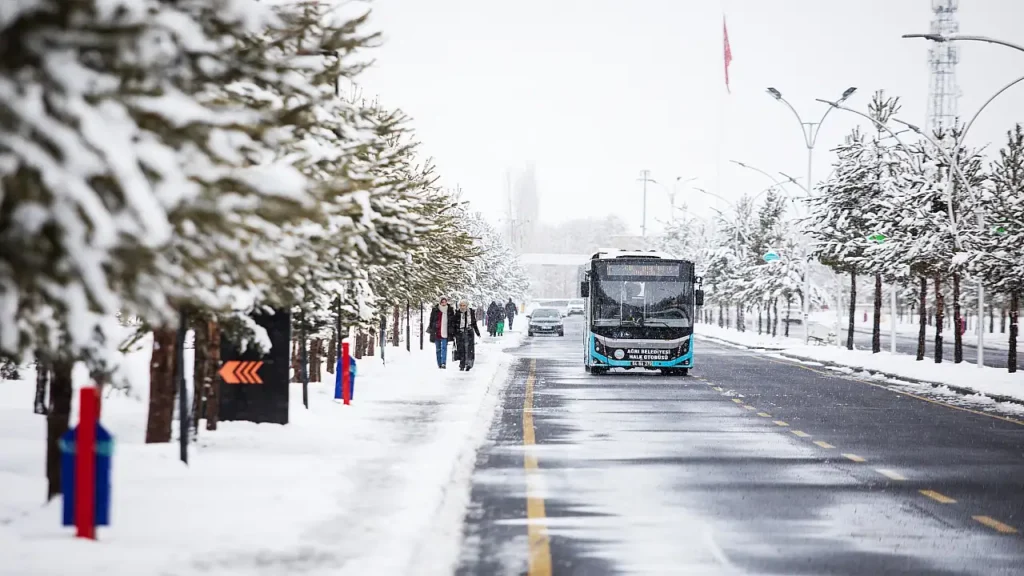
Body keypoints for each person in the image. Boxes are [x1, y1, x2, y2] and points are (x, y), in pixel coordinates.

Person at [427, 296, 456, 369]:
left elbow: (452, 321)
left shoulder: (450, 310)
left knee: (444, 348)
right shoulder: (435, 310)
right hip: (437, 331)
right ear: (440, 302)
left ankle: (443, 363)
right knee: (438, 349)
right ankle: (439, 363)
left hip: (446, 331)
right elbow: (431, 320)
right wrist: (431, 329)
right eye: (442, 302)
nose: (443, 303)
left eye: (445, 301)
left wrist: (452, 330)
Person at [453, 300, 481, 371]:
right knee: (461, 349)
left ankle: (469, 364)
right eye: (461, 305)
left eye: (464, 305)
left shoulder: (470, 312)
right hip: (460, 333)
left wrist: (477, 332)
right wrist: (453, 333)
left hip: (469, 332)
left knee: (469, 349)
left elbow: (474, 323)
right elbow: (454, 324)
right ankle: (462, 364)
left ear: (467, 306)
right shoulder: (457, 313)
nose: (462, 307)